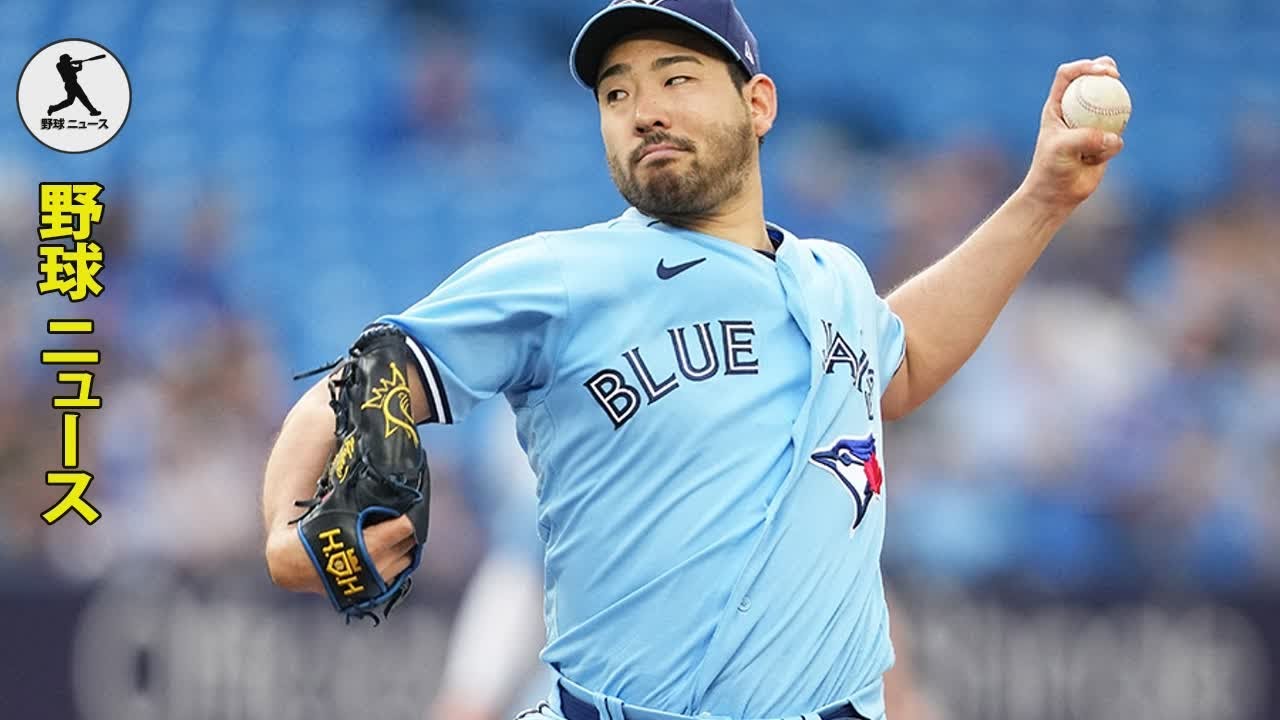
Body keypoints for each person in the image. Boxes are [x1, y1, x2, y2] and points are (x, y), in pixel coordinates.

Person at [262, 1, 1125, 718]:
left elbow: (901, 364)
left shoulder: (833, 279)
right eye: (617, 92)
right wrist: (286, 534)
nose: (644, 109)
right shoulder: (564, 275)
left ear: (759, 104)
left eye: (676, 79)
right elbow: (363, 379)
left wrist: (1043, 198)